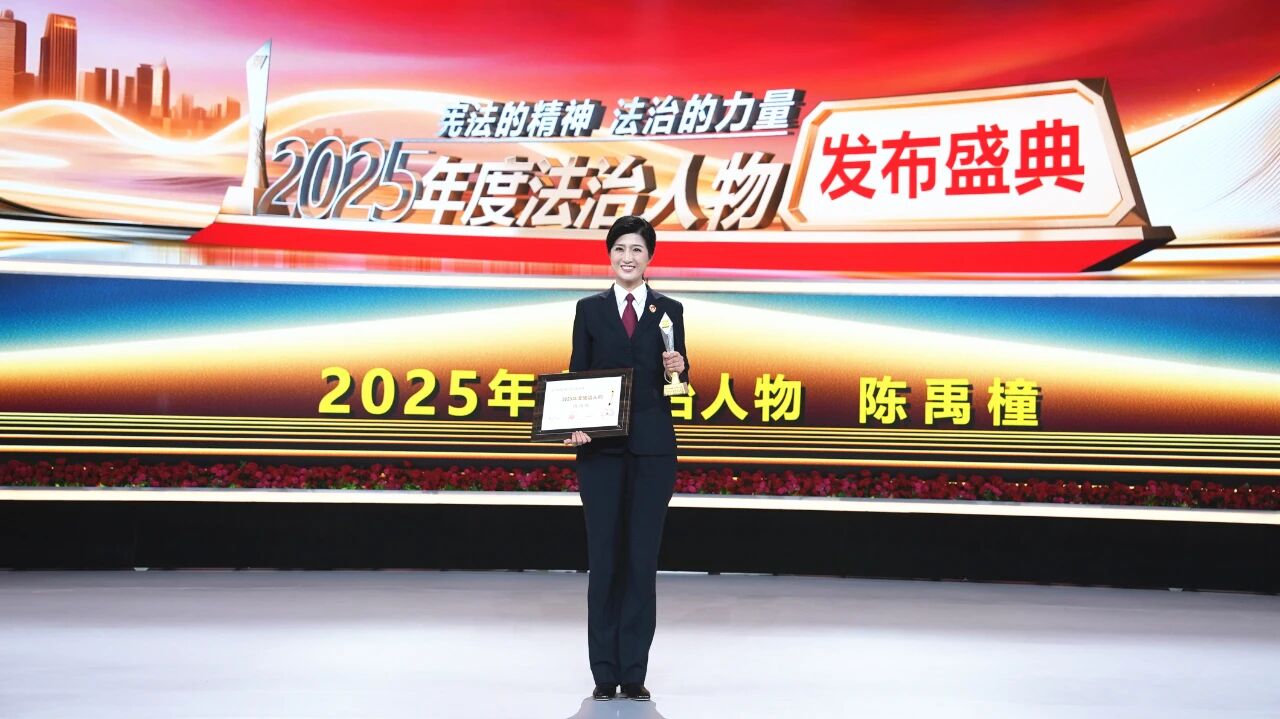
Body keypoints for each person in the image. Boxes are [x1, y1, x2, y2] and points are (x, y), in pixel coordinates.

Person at [564, 214, 688, 702]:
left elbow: (677, 383)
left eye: (637, 249)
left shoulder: (669, 310)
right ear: (609, 255)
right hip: (600, 451)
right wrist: (573, 424)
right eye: (620, 248)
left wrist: (680, 369)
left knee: (641, 561)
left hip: (653, 451)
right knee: (604, 560)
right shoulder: (589, 310)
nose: (628, 257)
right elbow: (578, 374)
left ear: (649, 257)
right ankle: (603, 672)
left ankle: (633, 672)